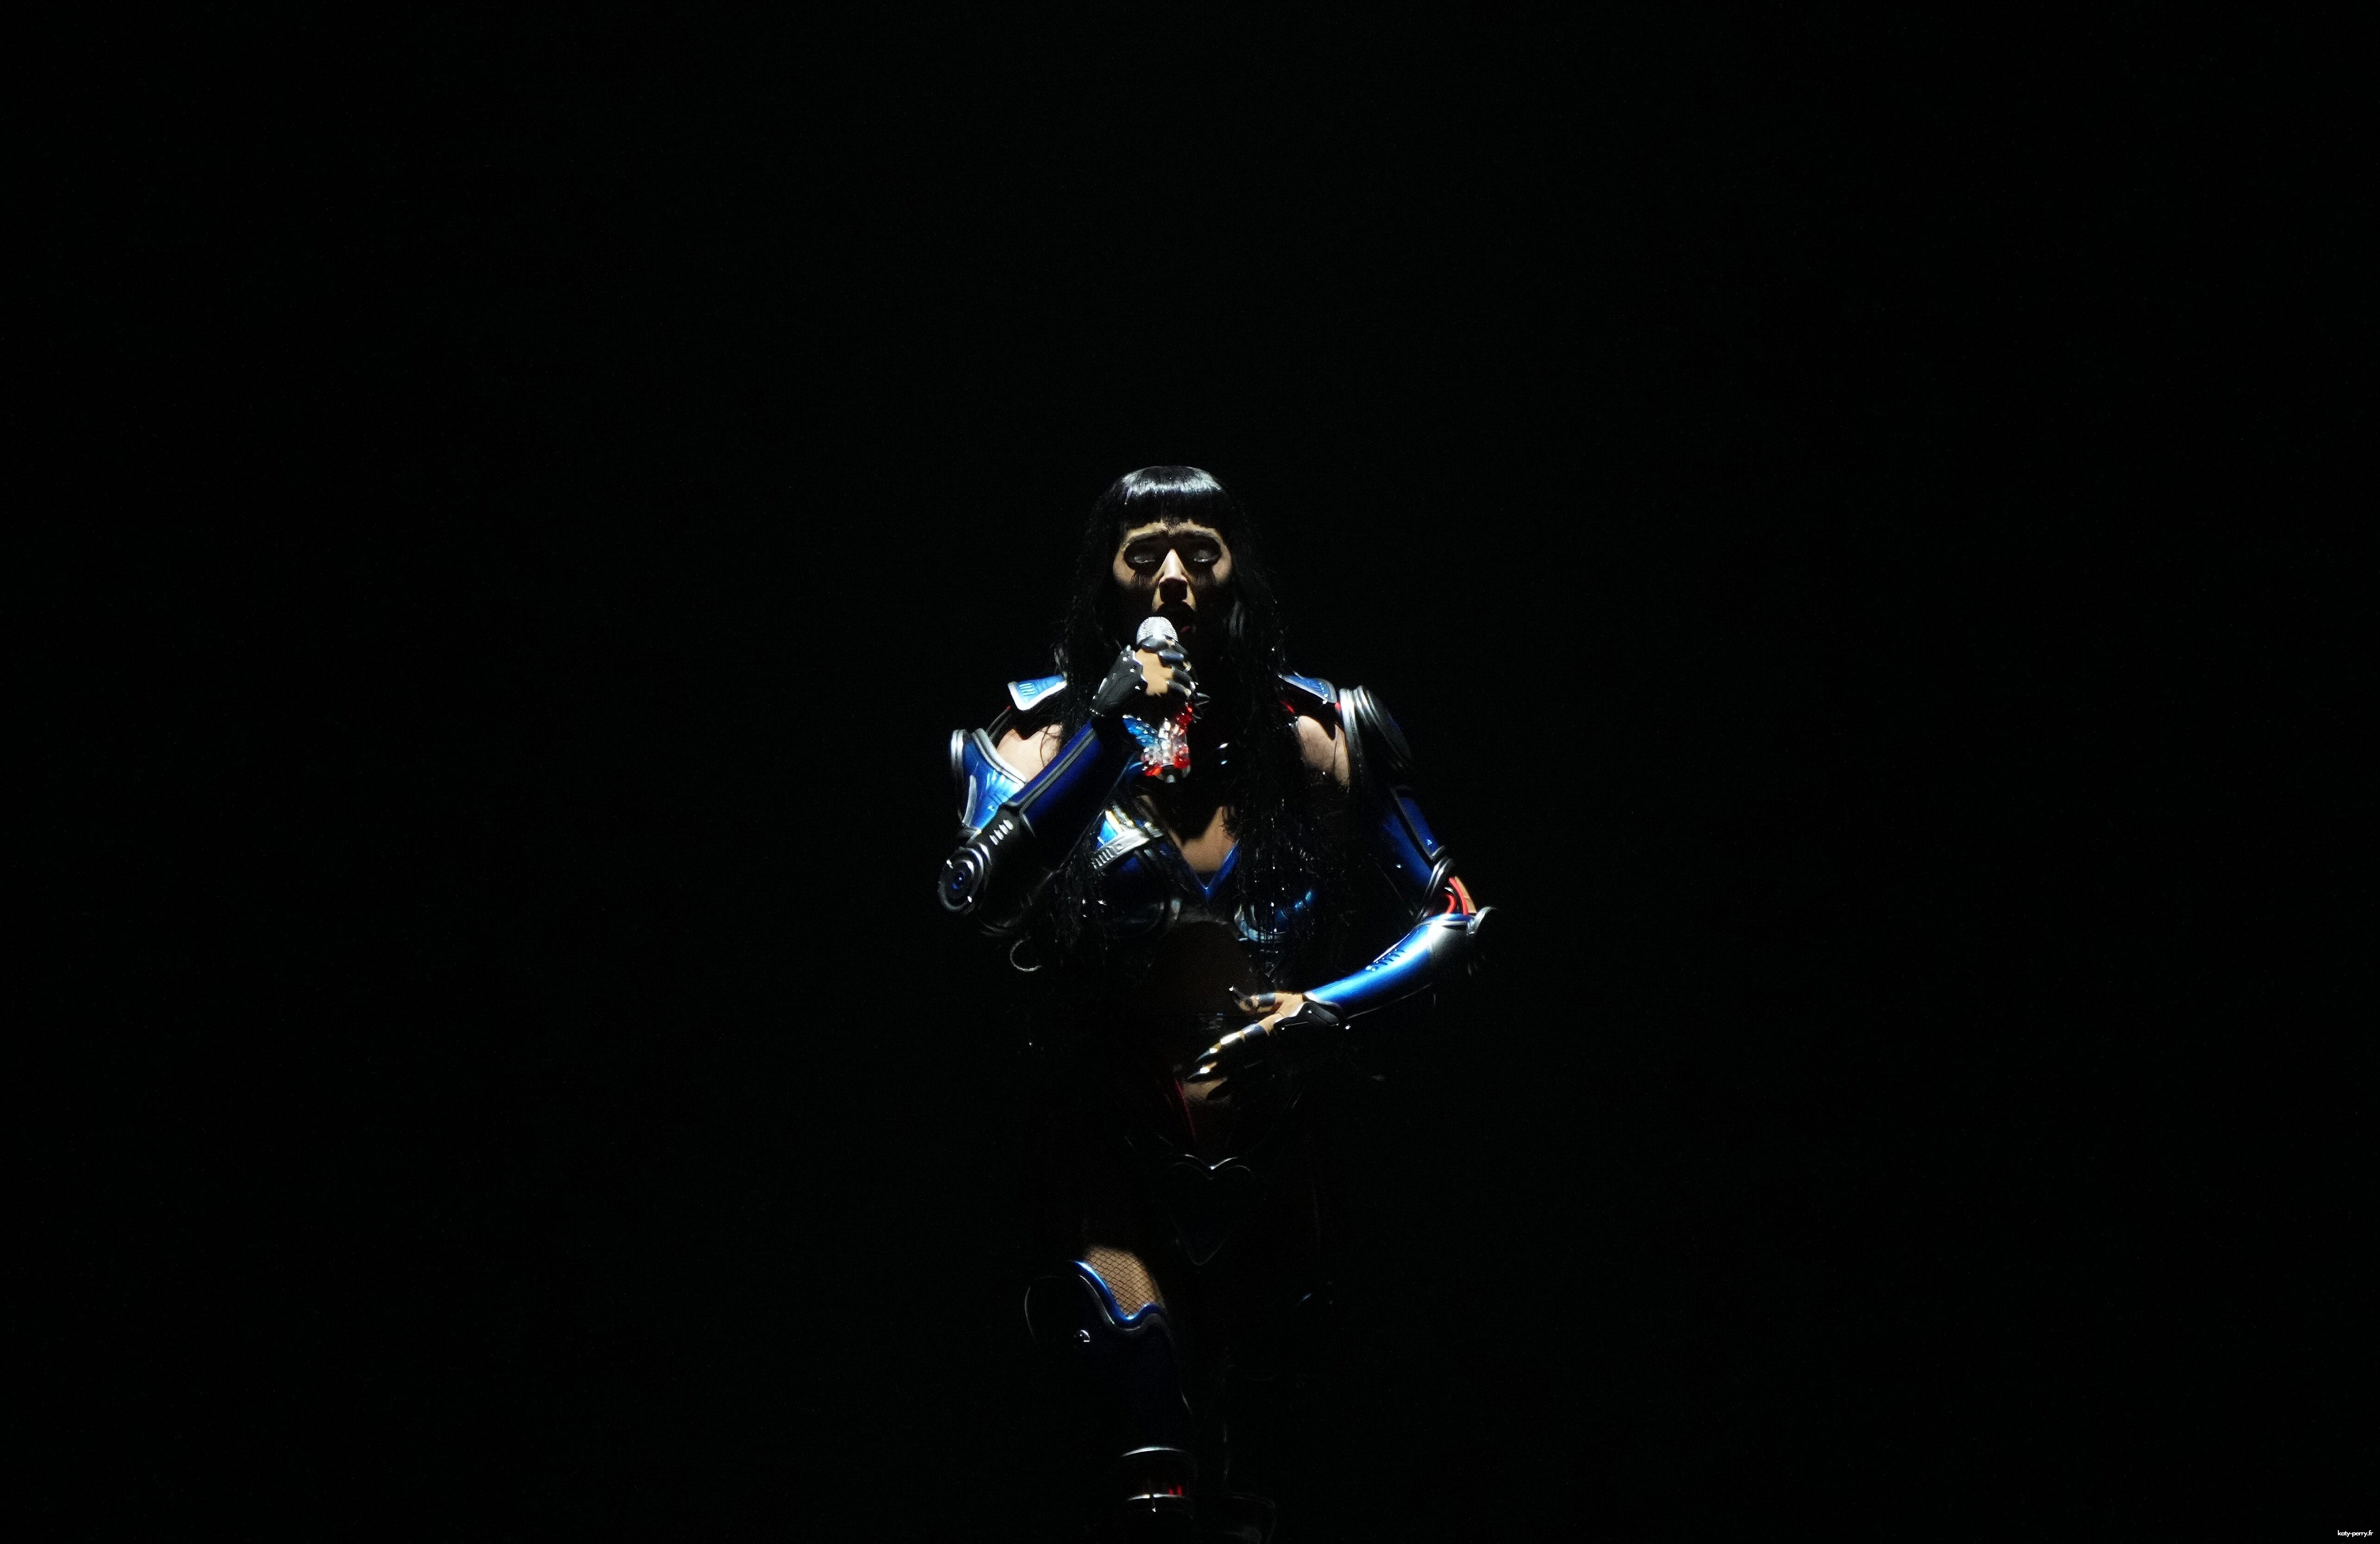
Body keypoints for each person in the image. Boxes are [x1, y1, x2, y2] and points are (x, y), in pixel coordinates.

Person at [939, 466, 1491, 1542]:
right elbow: (979, 892)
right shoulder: (1035, 739)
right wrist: (1108, 735)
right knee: (1145, 1461)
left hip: (1286, 1170)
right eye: (1143, 553)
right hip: (1110, 1167)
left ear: (1242, 574)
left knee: (1272, 1486)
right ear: (1102, 578)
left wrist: (1328, 1011)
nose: (1173, 579)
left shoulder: (1323, 735)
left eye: (1201, 550)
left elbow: (1458, 917)